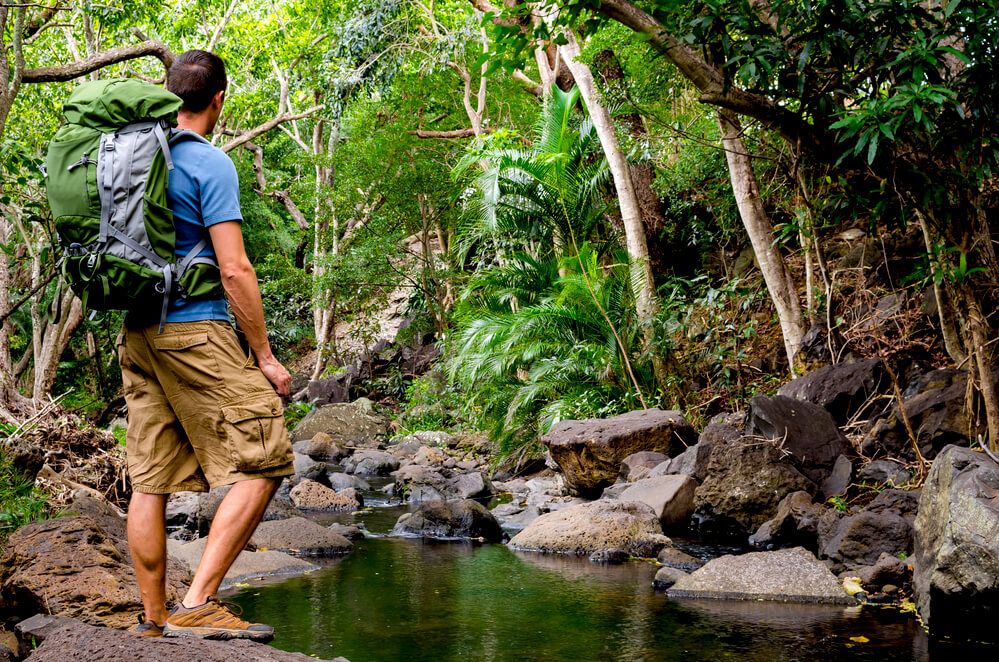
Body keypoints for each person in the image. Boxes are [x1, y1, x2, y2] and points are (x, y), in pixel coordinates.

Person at [121, 49, 294, 640]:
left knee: (150, 479)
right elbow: (235, 269)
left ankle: (154, 621)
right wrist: (264, 357)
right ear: (218, 99)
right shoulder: (208, 163)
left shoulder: (134, 158)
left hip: (138, 332)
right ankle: (198, 600)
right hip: (194, 329)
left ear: (169, 95)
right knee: (267, 453)